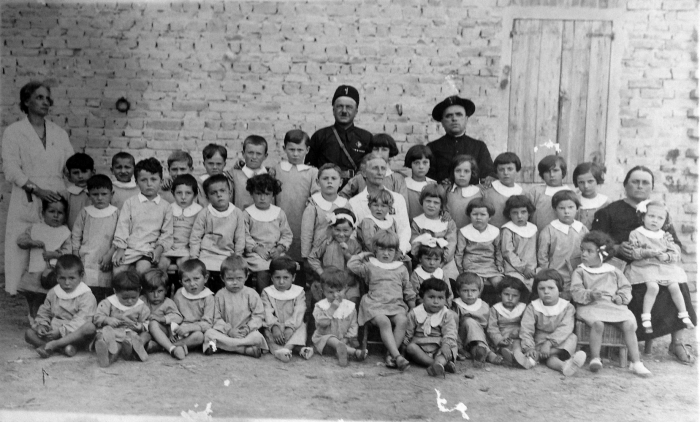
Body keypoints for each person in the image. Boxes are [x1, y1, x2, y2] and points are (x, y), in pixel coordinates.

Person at [592, 165, 697, 363]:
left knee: (677, 284)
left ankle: (677, 342)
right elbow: (595, 246)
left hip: (655, 267)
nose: (640, 186)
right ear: (625, 185)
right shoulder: (609, 212)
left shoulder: (658, 212)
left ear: (652, 187)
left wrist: (666, 254)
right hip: (623, 269)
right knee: (643, 288)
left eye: (645, 182)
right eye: (635, 181)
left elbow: (676, 243)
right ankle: (623, 339)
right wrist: (616, 248)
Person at [3, 81, 74, 296]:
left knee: (54, 244)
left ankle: (56, 296)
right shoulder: (14, 132)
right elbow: (11, 168)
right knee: (22, 243)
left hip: (55, 196)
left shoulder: (58, 133)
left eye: (47, 98)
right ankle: (22, 295)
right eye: (39, 97)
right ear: (26, 101)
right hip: (28, 194)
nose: (46, 102)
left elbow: (70, 165)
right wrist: (37, 190)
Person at [571, 231, 651, 376]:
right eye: (582, 250)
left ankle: (636, 362)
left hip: (613, 305)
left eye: (589, 251)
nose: (584, 254)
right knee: (597, 324)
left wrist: (621, 297)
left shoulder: (613, 271)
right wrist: (590, 294)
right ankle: (595, 358)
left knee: (629, 324)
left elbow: (626, 287)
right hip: (590, 305)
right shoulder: (580, 272)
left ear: (602, 254)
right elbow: (576, 291)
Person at [347, 231, 415, 370]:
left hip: (395, 304)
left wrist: (413, 307)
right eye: (382, 249)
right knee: (384, 322)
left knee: (403, 321)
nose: (386, 254)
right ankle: (397, 356)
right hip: (375, 304)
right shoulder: (371, 265)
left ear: (396, 252)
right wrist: (364, 255)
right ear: (375, 249)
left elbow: (408, 289)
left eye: (390, 250)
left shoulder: (400, 268)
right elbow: (352, 265)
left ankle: (391, 354)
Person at [626, 201, 694, 333]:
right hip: (644, 266)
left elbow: (675, 253)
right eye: (651, 216)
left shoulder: (664, 235)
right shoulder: (636, 233)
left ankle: (684, 315)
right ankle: (646, 318)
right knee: (653, 287)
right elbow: (633, 252)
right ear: (643, 217)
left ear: (665, 221)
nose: (655, 221)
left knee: (674, 286)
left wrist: (667, 257)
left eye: (660, 218)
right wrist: (645, 252)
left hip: (663, 267)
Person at [25, 255, 97, 358]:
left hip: (74, 334)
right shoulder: (53, 293)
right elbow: (45, 311)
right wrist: (42, 325)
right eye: (62, 278)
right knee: (29, 333)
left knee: (89, 328)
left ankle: (56, 345)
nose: (67, 283)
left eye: (72, 278)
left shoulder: (86, 296)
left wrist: (60, 332)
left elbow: (81, 320)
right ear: (56, 276)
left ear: (81, 276)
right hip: (54, 331)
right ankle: (61, 348)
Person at [517, 269, 586, 376]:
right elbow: (526, 328)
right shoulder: (533, 307)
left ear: (559, 289)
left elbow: (565, 328)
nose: (546, 292)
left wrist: (549, 343)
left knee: (572, 337)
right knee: (551, 359)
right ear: (536, 290)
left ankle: (539, 356)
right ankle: (564, 366)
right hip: (540, 339)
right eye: (542, 288)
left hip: (560, 340)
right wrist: (529, 347)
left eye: (551, 288)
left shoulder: (567, 307)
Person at [112, 158, 173, 276]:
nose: (149, 184)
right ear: (136, 182)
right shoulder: (130, 203)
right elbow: (122, 227)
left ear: (161, 181)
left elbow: (167, 233)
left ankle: (141, 294)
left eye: (154, 179)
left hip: (149, 249)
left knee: (142, 269)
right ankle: (122, 294)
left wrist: (159, 249)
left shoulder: (166, 206)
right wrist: (120, 249)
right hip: (130, 249)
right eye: (143, 180)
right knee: (118, 270)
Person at [17, 197, 72, 321]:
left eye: (60, 213)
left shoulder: (64, 232)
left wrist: (55, 254)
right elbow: (20, 241)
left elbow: (68, 252)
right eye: (52, 212)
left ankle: (41, 318)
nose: (56, 216)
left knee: (44, 297)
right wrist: (32, 242)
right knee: (31, 295)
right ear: (43, 213)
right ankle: (32, 314)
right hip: (33, 271)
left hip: (49, 274)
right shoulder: (35, 228)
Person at [306, 85, 372, 185]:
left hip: (356, 189)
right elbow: (310, 169)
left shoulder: (366, 138)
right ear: (333, 110)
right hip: (327, 190)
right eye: (340, 106)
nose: (344, 111)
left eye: (349, 107)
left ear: (356, 111)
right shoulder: (320, 136)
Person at [203, 256, 267, 358]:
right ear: (222, 278)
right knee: (209, 333)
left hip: (244, 333)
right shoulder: (219, 295)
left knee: (257, 337)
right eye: (230, 279)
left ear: (246, 276)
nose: (234, 282)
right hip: (225, 333)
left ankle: (222, 347)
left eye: (239, 278)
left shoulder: (251, 294)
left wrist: (247, 328)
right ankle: (243, 350)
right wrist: (229, 330)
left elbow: (259, 316)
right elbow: (216, 318)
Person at [348, 153, 411, 255]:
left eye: (383, 168)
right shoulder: (355, 202)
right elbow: (353, 235)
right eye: (375, 168)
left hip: (394, 254)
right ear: (364, 173)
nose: (380, 172)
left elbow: (404, 230)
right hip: (367, 257)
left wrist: (398, 252)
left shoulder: (398, 199)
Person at [188, 174, 245, 289]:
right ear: (208, 197)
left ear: (230, 192)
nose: (219, 195)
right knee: (204, 277)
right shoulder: (205, 213)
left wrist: (237, 256)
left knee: (227, 277)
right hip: (207, 254)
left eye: (222, 191)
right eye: (213, 193)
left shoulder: (237, 213)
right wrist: (194, 258)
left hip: (227, 254)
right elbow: (196, 237)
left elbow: (240, 237)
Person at [272, 130, 319, 263]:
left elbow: (316, 197)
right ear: (284, 149)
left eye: (300, 149)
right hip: (280, 218)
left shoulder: (312, 172)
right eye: (291, 149)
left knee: (300, 255)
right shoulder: (277, 169)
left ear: (307, 150)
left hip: (301, 220)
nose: (295, 153)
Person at [71, 175, 120, 303]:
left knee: (108, 289)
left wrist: (111, 254)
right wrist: (76, 253)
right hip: (87, 257)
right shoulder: (85, 212)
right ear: (88, 195)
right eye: (95, 194)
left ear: (112, 194)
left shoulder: (116, 213)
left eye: (104, 194)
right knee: (90, 289)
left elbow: (120, 236)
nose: (99, 198)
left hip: (108, 256)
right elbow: (76, 234)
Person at [426, 95, 494, 184]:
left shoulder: (479, 146)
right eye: (449, 116)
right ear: (442, 122)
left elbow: (488, 175)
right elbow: (428, 179)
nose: (454, 119)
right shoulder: (432, 147)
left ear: (466, 119)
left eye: (459, 114)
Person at [243, 174, 293, 292]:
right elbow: (243, 235)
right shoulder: (247, 214)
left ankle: (281, 297)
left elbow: (286, 234)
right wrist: (256, 249)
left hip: (275, 252)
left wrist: (280, 249)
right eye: (258, 194)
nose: (262, 198)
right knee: (263, 270)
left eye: (267, 194)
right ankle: (264, 298)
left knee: (284, 267)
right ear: (251, 194)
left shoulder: (279, 213)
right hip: (255, 254)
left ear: (273, 195)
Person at [536, 190, 588, 300]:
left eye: (570, 207)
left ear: (577, 208)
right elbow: (542, 255)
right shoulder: (549, 230)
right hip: (557, 275)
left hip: (579, 274)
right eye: (561, 208)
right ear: (555, 209)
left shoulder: (582, 229)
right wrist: (548, 274)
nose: (566, 211)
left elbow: (590, 248)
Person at [93, 270, 151, 367]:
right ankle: (106, 351)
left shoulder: (141, 306)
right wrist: (108, 319)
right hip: (111, 331)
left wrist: (140, 326)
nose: (130, 301)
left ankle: (131, 349)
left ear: (139, 291)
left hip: (129, 333)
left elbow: (147, 322)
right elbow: (97, 317)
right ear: (115, 291)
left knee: (126, 342)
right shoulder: (109, 302)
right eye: (125, 298)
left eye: (134, 297)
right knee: (104, 336)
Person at [261, 256, 313, 362]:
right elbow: (267, 312)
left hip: (293, 325)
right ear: (271, 277)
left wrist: (291, 327)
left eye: (286, 278)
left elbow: (299, 310)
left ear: (293, 277)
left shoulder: (298, 292)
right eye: (277, 277)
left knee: (301, 328)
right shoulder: (267, 292)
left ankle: (286, 350)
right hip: (275, 327)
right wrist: (274, 327)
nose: (281, 282)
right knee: (268, 333)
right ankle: (297, 350)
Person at [403, 277, 458, 377]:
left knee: (446, 353)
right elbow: (408, 332)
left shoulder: (446, 314)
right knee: (411, 348)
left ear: (446, 299)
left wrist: (445, 345)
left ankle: (439, 363)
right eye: (431, 297)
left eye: (440, 298)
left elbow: (450, 332)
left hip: (439, 346)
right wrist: (403, 347)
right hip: (420, 345)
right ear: (422, 297)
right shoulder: (415, 313)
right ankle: (437, 365)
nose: (436, 301)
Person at [307, 208, 362, 304]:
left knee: (350, 305)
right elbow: (312, 257)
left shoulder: (355, 244)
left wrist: (347, 254)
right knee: (324, 305)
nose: (341, 234)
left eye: (345, 230)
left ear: (352, 230)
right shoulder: (326, 242)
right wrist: (322, 273)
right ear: (332, 228)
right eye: (337, 230)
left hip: (347, 285)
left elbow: (358, 265)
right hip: (329, 285)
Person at [311, 267, 363, 366]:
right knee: (330, 338)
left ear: (345, 288)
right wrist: (332, 308)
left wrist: (347, 339)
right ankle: (353, 352)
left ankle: (342, 354)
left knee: (342, 347)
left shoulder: (350, 307)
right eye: (330, 292)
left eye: (339, 291)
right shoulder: (320, 306)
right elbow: (322, 323)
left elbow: (353, 325)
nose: (335, 295)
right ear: (323, 291)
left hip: (344, 340)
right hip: (324, 342)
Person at [339, 133, 407, 202]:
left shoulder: (396, 179)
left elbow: (403, 203)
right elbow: (342, 196)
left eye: (384, 149)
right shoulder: (361, 177)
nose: (379, 153)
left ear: (390, 152)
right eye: (376, 149)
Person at [410, 184, 458, 280]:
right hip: (424, 262)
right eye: (428, 201)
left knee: (449, 280)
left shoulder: (448, 222)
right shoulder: (417, 222)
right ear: (422, 202)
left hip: (445, 262)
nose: (431, 205)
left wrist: (440, 261)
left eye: (436, 203)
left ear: (441, 205)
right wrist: (426, 261)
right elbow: (415, 245)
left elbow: (451, 244)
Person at [452, 272, 499, 366]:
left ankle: (479, 354)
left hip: (480, 340)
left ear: (479, 291)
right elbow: (453, 327)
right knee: (469, 321)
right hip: (463, 340)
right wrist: (459, 347)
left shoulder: (484, 306)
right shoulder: (456, 305)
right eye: (465, 291)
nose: (470, 294)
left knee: (477, 349)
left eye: (473, 290)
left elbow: (489, 327)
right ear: (458, 291)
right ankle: (489, 353)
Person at [455, 198, 504, 289]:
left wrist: (499, 264)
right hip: (471, 265)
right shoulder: (464, 232)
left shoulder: (494, 231)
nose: (478, 217)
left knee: (499, 283)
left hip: (489, 264)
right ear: (469, 216)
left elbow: (498, 251)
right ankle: (476, 303)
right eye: (475, 214)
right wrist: (460, 270)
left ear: (489, 217)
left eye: (483, 214)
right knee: (477, 285)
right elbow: (459, 253)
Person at [159, 174, 203, 271]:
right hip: (169, 247)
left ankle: (182, 285)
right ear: (173, 193)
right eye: (179, 193)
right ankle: (163, 285)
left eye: (188, 193)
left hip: (187, 248)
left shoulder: (199, 211)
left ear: (195, 194)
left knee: (184, 265)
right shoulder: (168, 209)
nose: (183, 197)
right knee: (161, 265)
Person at [140, 269, 186, 360]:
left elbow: (178, 317)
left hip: (164, 331)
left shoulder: (167, 303)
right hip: (148, 332)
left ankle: (172, 349)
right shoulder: (142, 300)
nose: (156, 295)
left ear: (166, 290)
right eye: (151, 291)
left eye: (160, 291)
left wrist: (162, 319)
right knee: (143, 335)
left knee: (153, 323)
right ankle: (138, 349)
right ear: (145, 291)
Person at [171, 259, 215, 354]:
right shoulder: (179, 293)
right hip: (180, 329)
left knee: (199, 336)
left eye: (196, 279)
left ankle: (174, 346)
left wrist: (190, 328)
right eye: (187, 280)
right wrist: (174, 328)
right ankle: (176, 344)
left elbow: (207, 323)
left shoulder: (208, 298)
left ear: (206, 278)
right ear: (181, 282)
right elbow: (175, 313)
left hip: (197, 330)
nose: (192, 284)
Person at [486, 276, 528, 365]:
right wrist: (499, 339)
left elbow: (527, 324)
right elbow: (492, 327)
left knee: (517, 343)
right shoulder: (495, 309)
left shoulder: (523, 308)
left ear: (520, 296)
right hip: (502, 336)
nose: (510, 298)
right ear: (500, 294)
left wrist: (519, 330)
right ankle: (510, 355)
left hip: (518, 335)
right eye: (506, 294)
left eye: (514, 295)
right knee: (503, 345)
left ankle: (517, 354)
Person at [527, 155, 572, 232]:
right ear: (542, 174)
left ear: (563, 172)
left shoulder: (570, 193)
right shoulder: (535, 192)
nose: (552, 175)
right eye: (547, 171)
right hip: (538, 233)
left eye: (555, 170)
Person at [482, 152, 526, 228]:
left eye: (510, 169)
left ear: (517, 170)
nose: (506, 173)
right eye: (501, 169)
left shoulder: (522, 193)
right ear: (496, 171)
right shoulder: (487, 193)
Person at [409, 234, 453, 307]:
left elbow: (449, 293)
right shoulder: (417, 274)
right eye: (428, 259)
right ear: (420, 259)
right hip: (424, 305)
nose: (432, 263)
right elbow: (414, 294)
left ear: (441, 260)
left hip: (441, 304)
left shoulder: (441, 273)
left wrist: (446, 304)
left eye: (436, 259)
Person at [229, 135, 271, 210]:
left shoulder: (271, 175)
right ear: (243, 154)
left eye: (259, 154)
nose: (254, 157)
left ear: (265, 156)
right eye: (250, 153)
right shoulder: (233, 176)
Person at [444, 155, 482, 230]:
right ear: (452, 172)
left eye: (466, 171)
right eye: (458, 171)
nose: (462, 174)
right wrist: (444, 212)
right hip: (450, 232)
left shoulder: (479, 192)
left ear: (472, 173)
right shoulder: (447, 190)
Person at [60, 152, 95, 231]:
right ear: (69, 175)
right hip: (72, 234)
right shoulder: (65, 195)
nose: (80, 176)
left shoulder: (98, 193)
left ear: (93, 173)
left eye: (84, 171)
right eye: (76, 173)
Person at [403, 144, 436, 221]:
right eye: (417, 163)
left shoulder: (433, 184)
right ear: (410, 164)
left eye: (425, 163)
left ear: (430, 164)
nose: (421, 167)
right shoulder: (403, 184)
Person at [573, 162, 610, 230]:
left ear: (597, 180)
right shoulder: (574, 200)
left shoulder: (606, 202)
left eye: (590, 181)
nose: (586, 186)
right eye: (581, 182)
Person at [197, 143, 229, 208]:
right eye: (210, 163)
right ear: (204, 164)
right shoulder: (198, 184)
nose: (214, 167)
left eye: (218, 164)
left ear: (224, 164)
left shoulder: (230, 179)